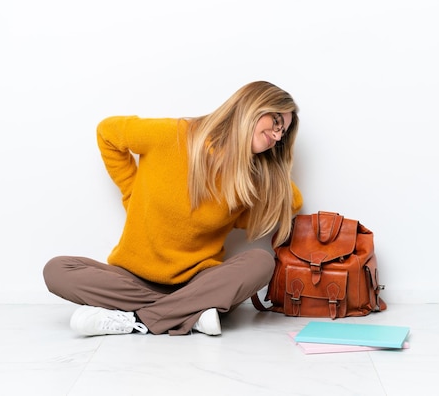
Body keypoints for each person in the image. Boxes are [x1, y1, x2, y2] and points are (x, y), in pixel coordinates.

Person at [43, 81, 303, 336]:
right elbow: (107, 132)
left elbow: (292, 201)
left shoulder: (250, 178)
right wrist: (131, 191)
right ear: (250, 107)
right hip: (131, 279)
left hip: (199, 283)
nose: (278, 135)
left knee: (260, 262)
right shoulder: (172, 134)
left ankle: (135, 320)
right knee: (57, 270)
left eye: (284, 134)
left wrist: (272, 170)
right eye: (277, 121)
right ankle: (189, 315)